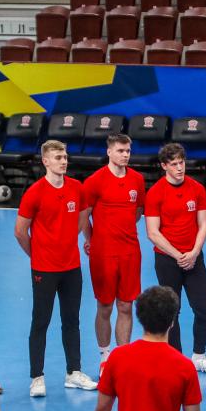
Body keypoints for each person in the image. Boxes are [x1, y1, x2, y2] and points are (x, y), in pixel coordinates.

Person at [15, 140, 97, 397]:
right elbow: (20, 231)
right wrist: (37, 255)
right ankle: (37, 378)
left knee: (72, 320)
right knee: (41, 321)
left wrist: (70, 241)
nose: (63, 161)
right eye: (58, 157)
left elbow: (83, 217)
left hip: (71, 267)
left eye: (65, 156)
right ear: (45, 161)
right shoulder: (34, 193)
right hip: (44, 269)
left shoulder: (76, 188)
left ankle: (74, 372)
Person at [144, 142, 206, 373]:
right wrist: (178, 255)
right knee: (172, 312)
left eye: (182, 162)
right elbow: (152, 233)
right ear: (164, 166)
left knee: (203, 308)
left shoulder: (196, 188)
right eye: (174, 164)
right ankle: (175, 358)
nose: (179, 168)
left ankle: (199, 356)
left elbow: (203, 224)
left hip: (194, 258)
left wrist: (194, 252)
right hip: (167, 260)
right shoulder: (155, 192)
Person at [81, 134, 146, 367]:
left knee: (126, 305)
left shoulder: (137, 179)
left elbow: (137, 211)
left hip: (130, 251)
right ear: (109, 152)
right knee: (105, 306)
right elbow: (84, 216)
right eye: (120, 150)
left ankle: (123, 357)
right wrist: (92, 239)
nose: (125, 155)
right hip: (103, 254)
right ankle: (105, 357)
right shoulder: (94, 181)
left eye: (128, 151)